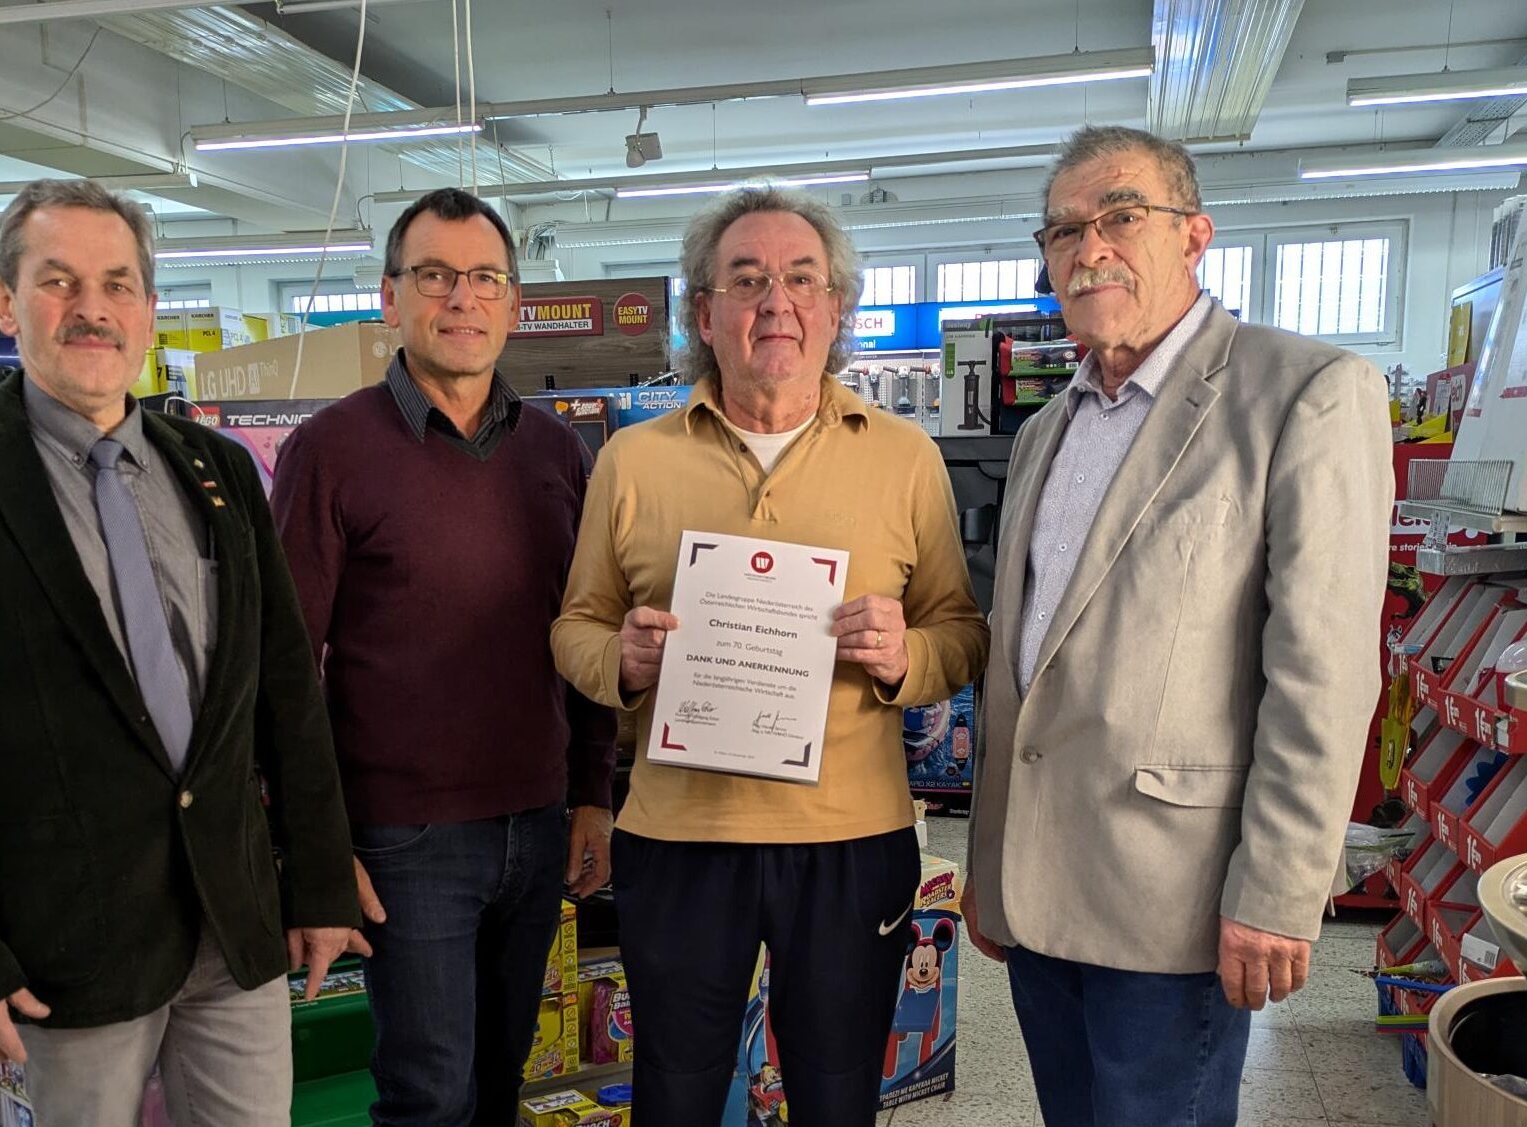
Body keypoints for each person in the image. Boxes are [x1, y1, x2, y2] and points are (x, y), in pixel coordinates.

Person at [0, 179, 362, 1127]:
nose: (93, 309)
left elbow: (286, 693)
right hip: (63, 943)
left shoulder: (217, 470)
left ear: (151, 311)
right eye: (59, 281)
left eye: (120, 284)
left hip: (232, 922)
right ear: (5, 303)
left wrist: (321, 882)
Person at [966, 125, 1393, 1127]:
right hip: (1036, 890)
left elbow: (1320, 667)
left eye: (1120, 215)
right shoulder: (1043, 429)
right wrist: (987, 865)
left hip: (1179, 895)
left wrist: (1279, 888)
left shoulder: (1303, 391)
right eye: (1063, 228)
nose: (1089, 247)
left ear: (1193, 235)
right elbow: (1021, 662)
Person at [551, 187, 988, 1125]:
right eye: (746, 279)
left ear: (837, 308)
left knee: (836, 1096)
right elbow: (574, 627)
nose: (775, 301)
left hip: (847, 838)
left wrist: (900, 653)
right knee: (675, 1091)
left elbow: (960, 632)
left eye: (801, 279)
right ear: (704, 314)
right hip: (680, 838)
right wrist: (621, 660)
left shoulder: (904, 458)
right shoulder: (633, 460)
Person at [270, 187, 618, 1127]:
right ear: (391, 297)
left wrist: (592, 792)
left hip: (538, 819)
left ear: (512, 304)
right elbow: (282, 667)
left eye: (484, 279)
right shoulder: (329, 450)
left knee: (502, 1082)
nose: (460, 299)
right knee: (428, 1094)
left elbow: (581, 630)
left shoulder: (556, 450)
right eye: (434, 276)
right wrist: (315, 846)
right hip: (404, 837)